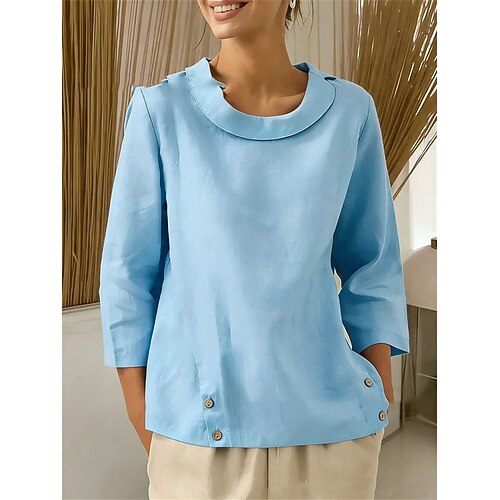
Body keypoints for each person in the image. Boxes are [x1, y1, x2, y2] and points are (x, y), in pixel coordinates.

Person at [99, 0, 410, 498]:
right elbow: (127, 280)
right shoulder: (162, 112)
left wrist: (380, 386)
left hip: (333, 442)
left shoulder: (350, 112)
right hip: (198, 442)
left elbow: (371, 263)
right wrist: (146, 421)